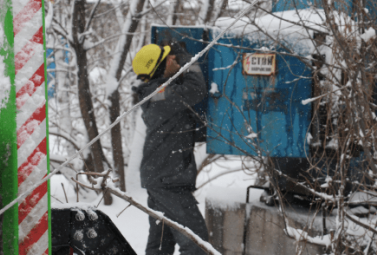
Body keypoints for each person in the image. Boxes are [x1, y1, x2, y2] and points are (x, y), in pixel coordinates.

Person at [132, 43, 208, 255]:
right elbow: (195, 89)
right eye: (169, 59)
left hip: (161, 176)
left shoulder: (157, 92)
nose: (174, 59)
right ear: (158, 68)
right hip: (168, 180)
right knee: (197, 243)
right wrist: (188, 60)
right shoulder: (159, 96)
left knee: (161, 242)